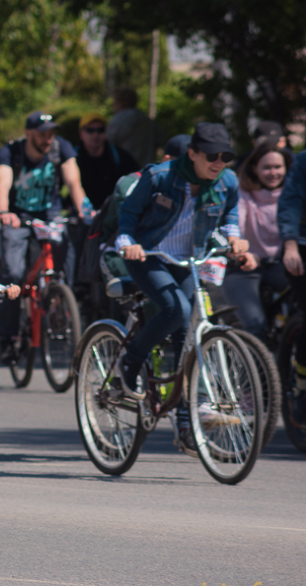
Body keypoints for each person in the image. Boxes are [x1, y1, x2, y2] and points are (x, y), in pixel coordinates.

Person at [116, 122, 246, 452]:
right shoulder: (160, 176)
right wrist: (127, 242)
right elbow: (128, 214)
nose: (219, 162)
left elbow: (231, 211)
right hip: (149, 255)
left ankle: (184, 421)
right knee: (177, 310)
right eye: (212, 156)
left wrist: (233, 235)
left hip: (188, 258)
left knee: (185, 337)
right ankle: (130, 362)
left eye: (226, 156)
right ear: (192, 154)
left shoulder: (227, 180)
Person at [0, 111, 90, 363]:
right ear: (28, 134)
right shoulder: (12, 152)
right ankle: (7, 335)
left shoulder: (61, 148)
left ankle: (59, 300)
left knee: (65, 260)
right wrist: (4, 212)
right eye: (42, 133)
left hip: (51, 214)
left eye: (51, 133)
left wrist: (82, 210)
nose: (48, 139)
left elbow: (74, 182)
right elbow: (1, 183)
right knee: (13, 274)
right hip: (18, 216)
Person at [222, 141, 288, 339]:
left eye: (278, 167)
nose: (273, 172)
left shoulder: (291, 195)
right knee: (255, 327)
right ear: (254, 168)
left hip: (280, 266)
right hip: (243, 268)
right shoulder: (242, 194)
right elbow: (235, 224)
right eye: (266, 167)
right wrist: (240, 249)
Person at [276, 140, 306, 422]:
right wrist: (291, 245)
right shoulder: (303, 162)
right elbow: (289, 205)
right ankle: (302, 387)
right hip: (302, 248)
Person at [75, 111, 140, 209]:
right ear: (81, 133)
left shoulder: (118, 156)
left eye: (100, 130)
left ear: (105, 132)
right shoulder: (72, 157)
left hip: (112, 212)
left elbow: (136, 179)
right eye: (90, 130)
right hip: (81, 212)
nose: (95, 134)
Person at [106, 87, 157, 168]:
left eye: (115, 101)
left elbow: (107, 142)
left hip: (125, 167)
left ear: (120, 102)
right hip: (146, 167)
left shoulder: (119, 119)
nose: (113, 104)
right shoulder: (146, 119)